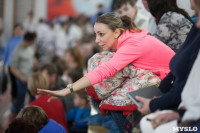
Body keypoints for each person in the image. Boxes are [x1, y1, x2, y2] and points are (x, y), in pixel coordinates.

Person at [37, 12, 175, 132]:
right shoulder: (127, 37)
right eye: (96, 34)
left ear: (116, 32)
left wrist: (67, 90)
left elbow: (104, 71)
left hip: (169, 81)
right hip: (160, 76)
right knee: (99, 62)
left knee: (112, 99)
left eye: (101, 34)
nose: (97, 40)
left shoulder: (132, 44)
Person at [139, 0, 200, 132]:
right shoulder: (194, 27)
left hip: (188, 109)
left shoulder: (169, 17)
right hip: (184, 105)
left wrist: (154, 104)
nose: (143, 2)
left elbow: (150, 48)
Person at [10, 32, 36, 114]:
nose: (32, 43)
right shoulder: (17, 51)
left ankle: (34, 115)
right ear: (27, 41)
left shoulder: (30, 47)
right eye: (32, 42)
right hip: (22, 79)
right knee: (21, 99)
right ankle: (18, 116)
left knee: (33, 97)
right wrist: (22, 78)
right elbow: (12, 69)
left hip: (31, 77)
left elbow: (32, 56)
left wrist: (35, 62)